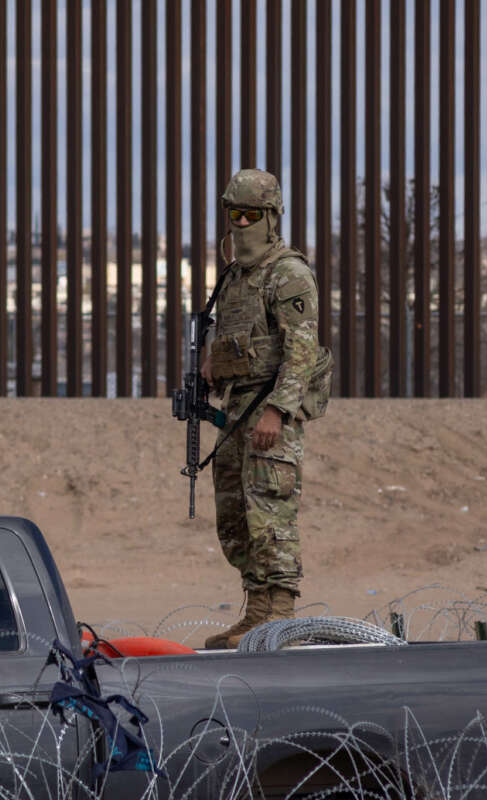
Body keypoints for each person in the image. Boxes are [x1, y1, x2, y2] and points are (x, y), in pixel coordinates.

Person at [201, 168, 329, 650]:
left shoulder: (288, 273)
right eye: (234, 214)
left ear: (272, 217)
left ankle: (279, 614)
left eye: (251, 214)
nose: (241, 224)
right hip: (237, 410)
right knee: (236, 515)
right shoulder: (236, 277)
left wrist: (278, 409)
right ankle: (256, 608)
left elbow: (302, 350)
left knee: (270, 512)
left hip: (270, 409)